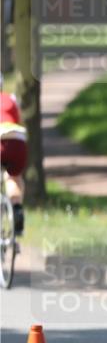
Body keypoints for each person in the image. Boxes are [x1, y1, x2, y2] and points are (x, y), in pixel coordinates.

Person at [1, 78, 28, 236]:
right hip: (17, 140)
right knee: (14, 177)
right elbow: (19, 121)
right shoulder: (11, 98)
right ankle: (17, 209)